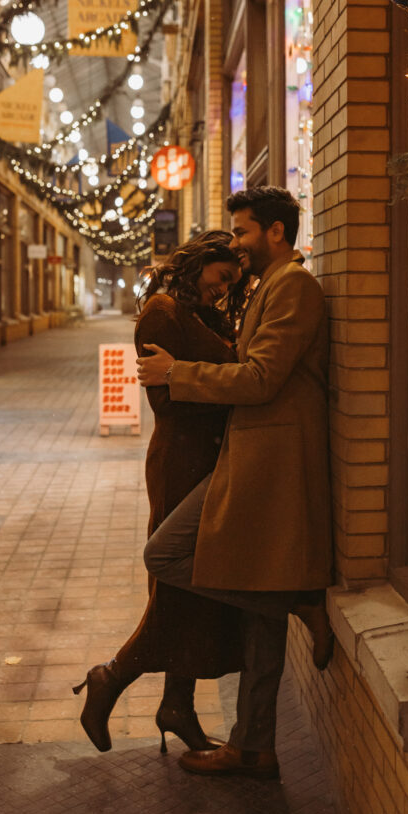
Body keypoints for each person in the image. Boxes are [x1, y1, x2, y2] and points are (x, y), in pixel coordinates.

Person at [137, 186, 334, 781]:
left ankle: (297, 603)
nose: (239, 247)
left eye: (246, 232)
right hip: (250, 456)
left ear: (276, 232)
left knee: (164, 553)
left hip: (271, 460)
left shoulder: (294, 286)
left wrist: (178, 373)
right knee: (258, 612)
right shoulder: (267, 286)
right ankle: (253, 747)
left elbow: (261, 378)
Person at [73, 231, 248, 753]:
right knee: (177, 582)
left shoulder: (199, 315)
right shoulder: (162, 312)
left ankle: (177, 704)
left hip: (211, 459)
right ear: (198, 264)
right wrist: (229, 390)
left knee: (197, 581)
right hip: (180, 461)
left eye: (232, 283)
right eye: (221, 278)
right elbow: (167, 402)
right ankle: (111, 677)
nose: (224, 289)